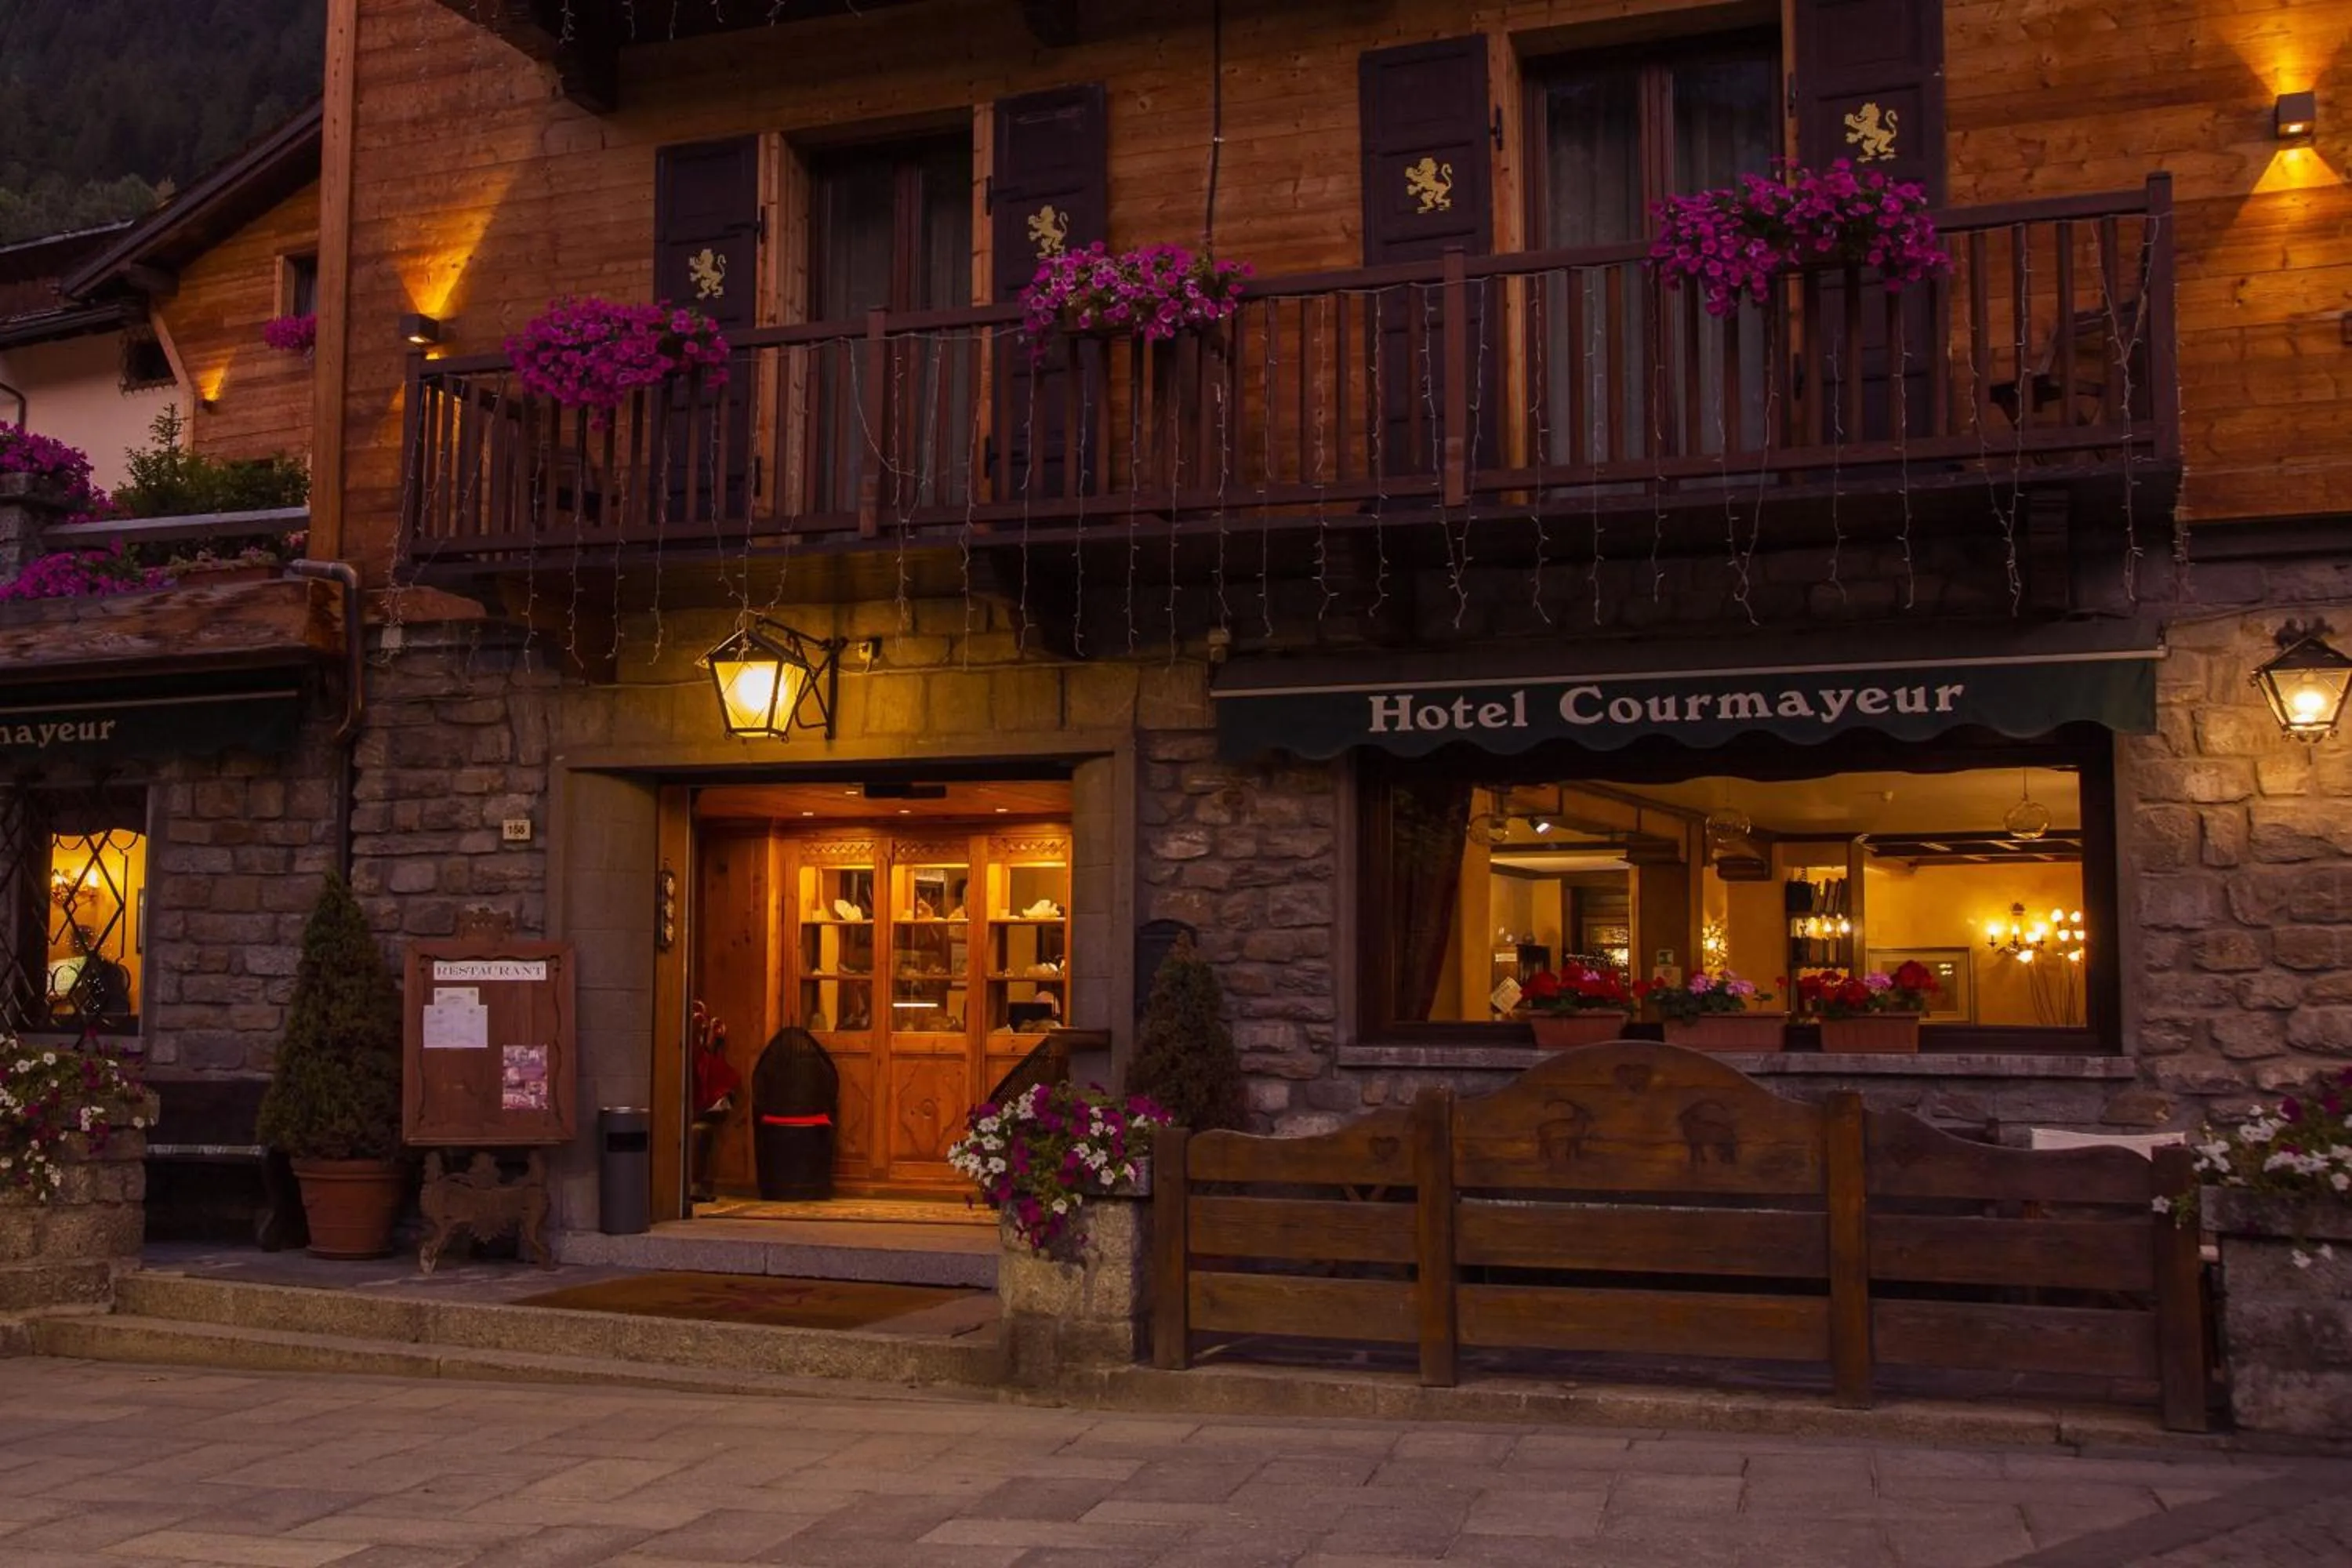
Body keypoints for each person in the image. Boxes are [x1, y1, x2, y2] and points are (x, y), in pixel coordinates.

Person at [687, 1002, 739, 1205]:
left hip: (700, 1110)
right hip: (686, 1108)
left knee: (701, 1129)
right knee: (699, 1129)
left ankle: (696, 1183)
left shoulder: (704, 1055)